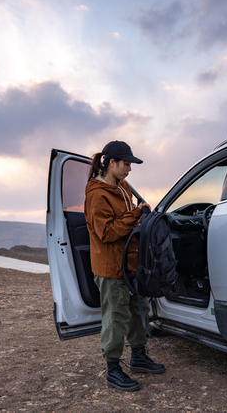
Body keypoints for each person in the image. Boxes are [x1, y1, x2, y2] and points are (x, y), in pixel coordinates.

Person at [84, 140, 165, 392]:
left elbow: (128, 222)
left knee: (138, 311)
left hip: (130, 266)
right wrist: (136, 215)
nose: (129, 168)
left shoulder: (122, 186)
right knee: (116, 318)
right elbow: (107, 232)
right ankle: (113, 369)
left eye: (130, 164)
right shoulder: (97, 195)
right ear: (111, 163)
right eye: (126, 164)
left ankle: (139, 356)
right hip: (111, 270)